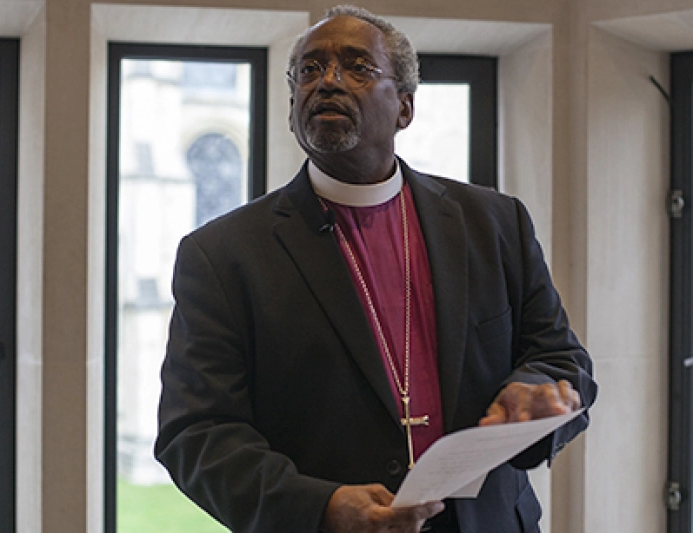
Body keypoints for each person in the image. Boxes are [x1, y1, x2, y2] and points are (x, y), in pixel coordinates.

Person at [155, 5, 597, 532]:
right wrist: (320, 507)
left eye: (357, 67)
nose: (327, 83)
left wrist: (540, 390)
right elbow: (197, 434)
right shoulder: (223, 254)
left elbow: (561, 358)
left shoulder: (494, 223)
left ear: (405, 108)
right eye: (309, 70)